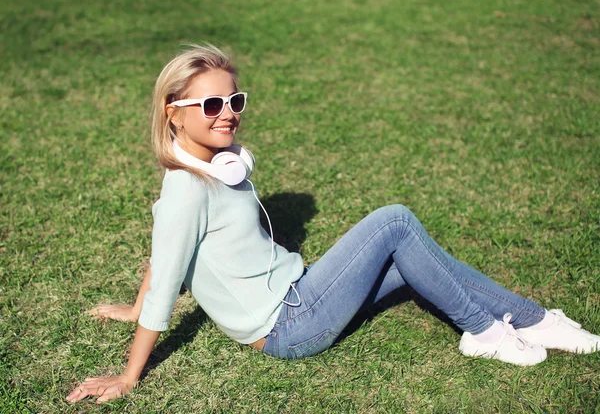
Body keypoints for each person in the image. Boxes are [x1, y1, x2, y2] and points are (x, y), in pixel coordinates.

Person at [67, 44, 600, 404]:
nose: (227, 112)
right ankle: (483, 331)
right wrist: (129, 374)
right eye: (210, 103)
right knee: (394, 223)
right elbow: (169, 263)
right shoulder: (187, 189)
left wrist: (130, 305)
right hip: (290, 326)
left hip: (302, 294)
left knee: (423, 259)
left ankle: (533, 320)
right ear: (173, 112)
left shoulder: (215, 168)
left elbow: (164, 256)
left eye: (234, 100)